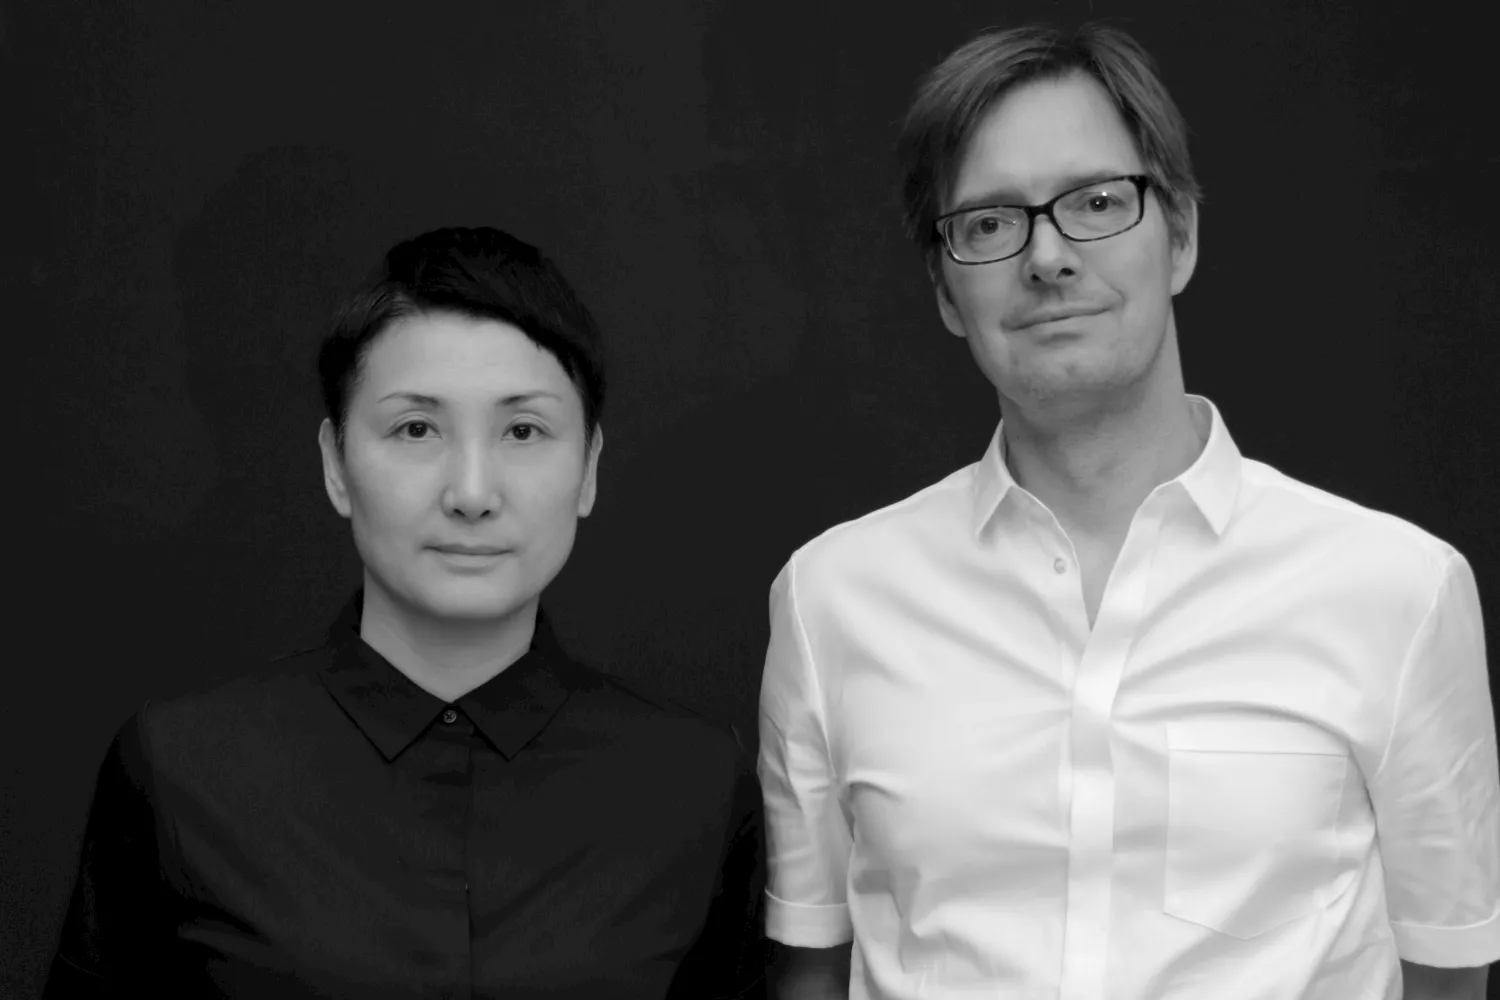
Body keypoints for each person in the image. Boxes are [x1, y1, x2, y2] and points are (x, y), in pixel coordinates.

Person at [758, 22, 1498, 1000]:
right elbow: (811, 968)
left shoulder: (1398, 590)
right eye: (989, 223)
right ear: (943, 288)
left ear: (1180, 235)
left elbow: (1449, 972)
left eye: (1098, 202)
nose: (1048, 256)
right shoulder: (831, 599)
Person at [46, 226, 766, 999]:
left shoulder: (694, 784)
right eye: (415, 429)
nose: (472, 493)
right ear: (336, 464)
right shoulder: (181, 768)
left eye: (523, 431)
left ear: (588, 467)